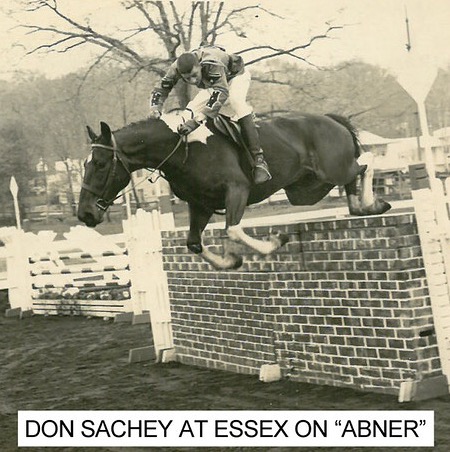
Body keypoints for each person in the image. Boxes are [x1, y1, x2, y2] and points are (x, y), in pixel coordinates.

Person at [148, 45, 272, 184]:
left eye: (195, 75)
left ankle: (259, 160)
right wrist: (155, 108)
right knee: (190, 110)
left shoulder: (211, 63)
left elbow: (221, 91)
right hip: (214, 85)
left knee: (236, 101)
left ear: (200, 66)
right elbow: (161, 88)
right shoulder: (175, 68)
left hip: (236, 77)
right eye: (187, 78)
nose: (193, 81)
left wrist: (198, 120)